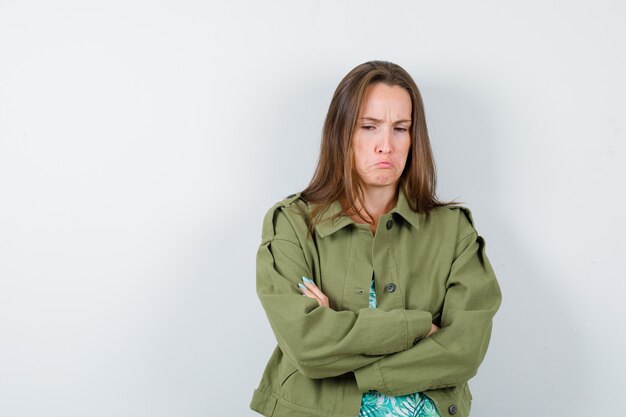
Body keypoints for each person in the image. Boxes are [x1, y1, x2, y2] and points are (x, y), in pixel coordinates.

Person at [249, 60, 502, 417]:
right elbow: (306, 344)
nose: (386, 145)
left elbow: (465, 348)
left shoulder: (454, 230)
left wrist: (343, 350)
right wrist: (420, 327)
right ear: (342, 133)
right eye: (369, 127)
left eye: (400, 128)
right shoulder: (291, 223)